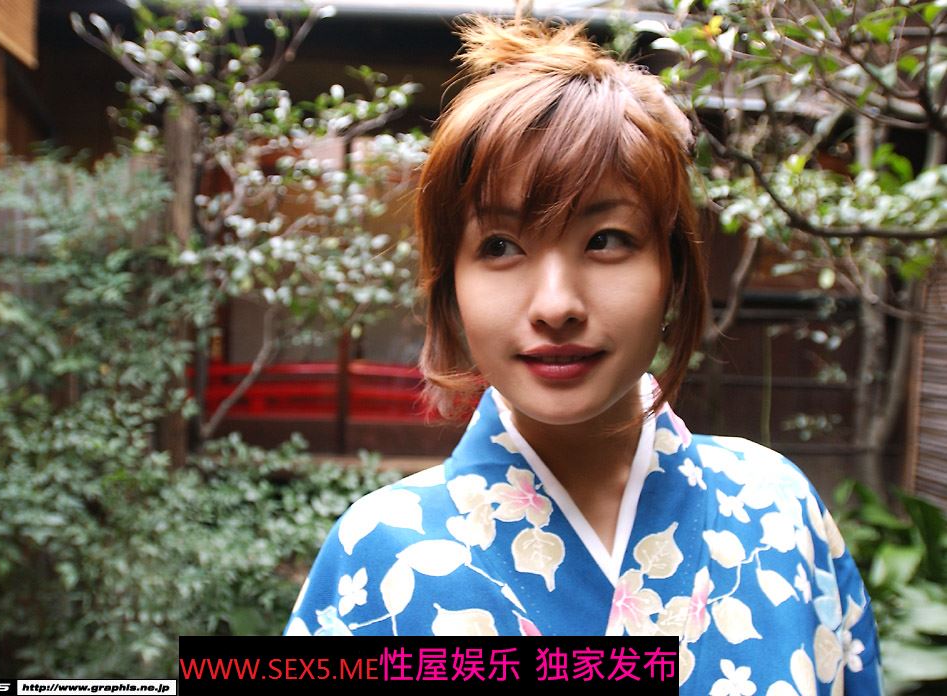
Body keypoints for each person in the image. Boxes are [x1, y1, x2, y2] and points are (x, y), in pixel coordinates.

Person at [284, 15, 882, 695]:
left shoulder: (779, 511)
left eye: (606, 240)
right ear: (450, 290)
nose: (556, 304)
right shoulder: (380, 553)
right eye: (500, 246)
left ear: (673, 273)